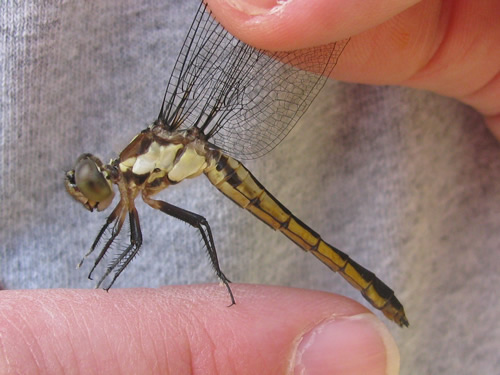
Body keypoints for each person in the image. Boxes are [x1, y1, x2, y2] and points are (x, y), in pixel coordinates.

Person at [1, 0, 498, 374]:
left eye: (92, 184)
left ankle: (358, 290)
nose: (98, 193)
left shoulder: (136, 175)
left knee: (196, 229)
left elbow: (145, 235)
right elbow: (126, 231)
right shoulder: (133, 185)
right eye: (91, 186)